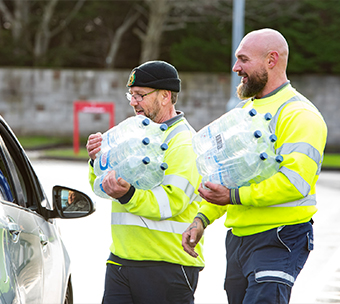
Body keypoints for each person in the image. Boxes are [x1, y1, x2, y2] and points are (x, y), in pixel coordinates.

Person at [182, 28, 328, 304]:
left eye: (243, 59)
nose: (236, 67)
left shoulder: (300, 115)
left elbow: (295, 182)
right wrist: (202, 218)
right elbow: (226, 180)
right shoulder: (241, 113)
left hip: (280, 237)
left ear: (271, 60)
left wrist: (232, 196)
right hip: (239, 239)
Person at [86, 60, 204, 304]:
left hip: (166, 264)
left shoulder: (183, 142)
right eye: (131, 95)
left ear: (165, 96)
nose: (133, 102)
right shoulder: (135, 132)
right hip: (121, 260)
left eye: (140, 95)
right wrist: (96, 160)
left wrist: (127, 194)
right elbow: (103, 187)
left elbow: (170, 202)